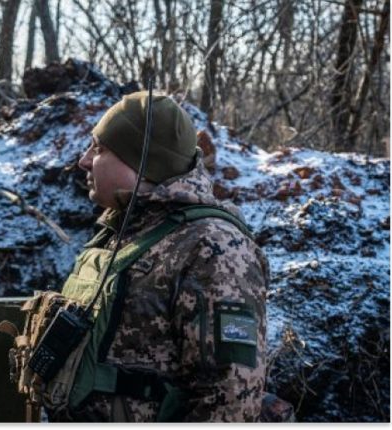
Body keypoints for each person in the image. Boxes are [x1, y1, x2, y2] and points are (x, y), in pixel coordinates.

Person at [57, 91, 269, 422]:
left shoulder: (213, 248)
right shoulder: (125, 230)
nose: (84, 160)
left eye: (99, 149)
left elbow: (230, 400)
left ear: (142, 162)